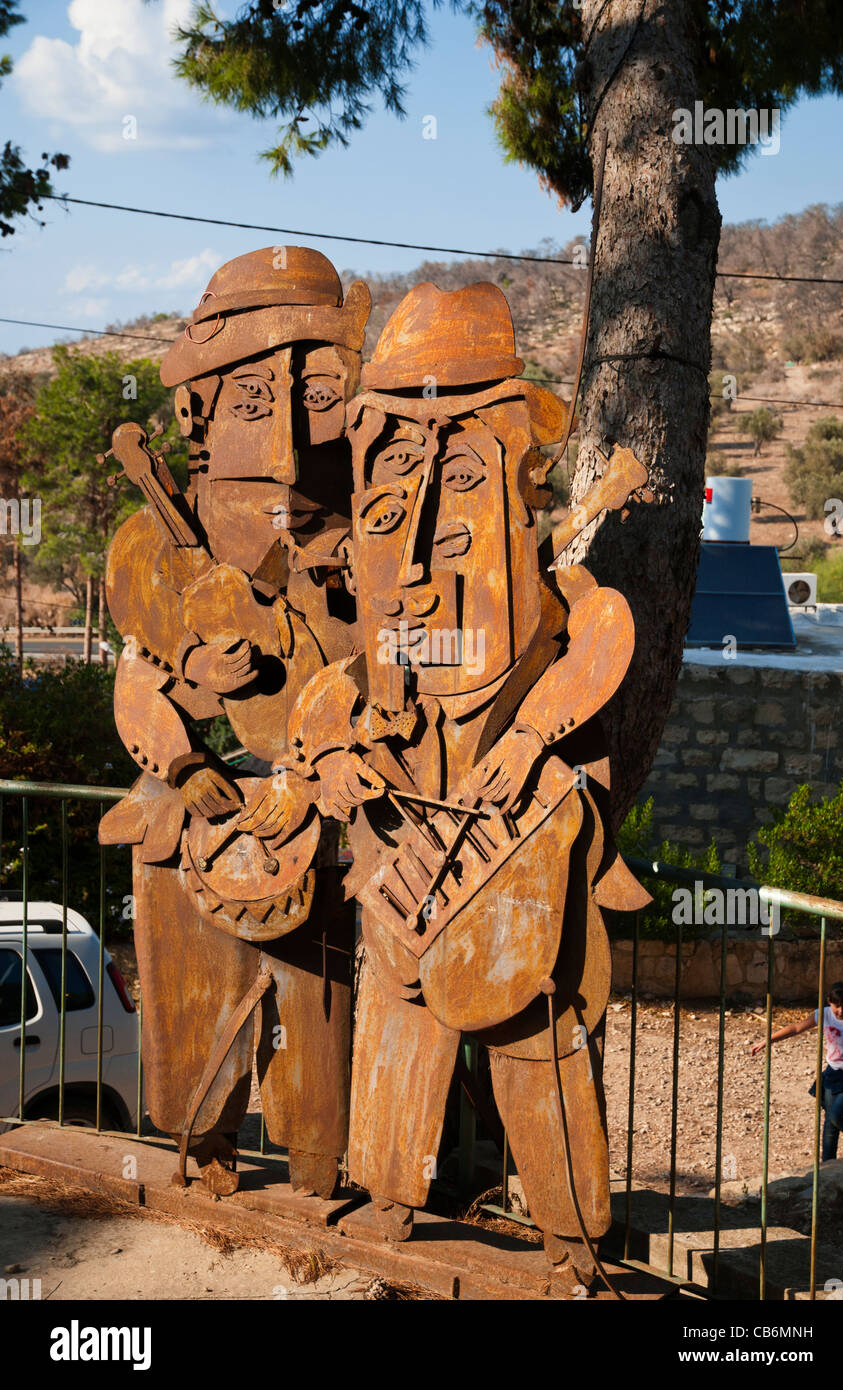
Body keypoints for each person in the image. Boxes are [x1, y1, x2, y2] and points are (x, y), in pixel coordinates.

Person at [281, 280, 650, 1289]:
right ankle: (389, 1201)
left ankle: (572, 1241)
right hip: (407, 836)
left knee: (535, 1025)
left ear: (511, 461)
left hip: (519, 848)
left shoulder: (544, 580)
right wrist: (338, 757)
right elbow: (328, 694)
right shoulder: (385, 578)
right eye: (399, 459)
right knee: (399, 1013)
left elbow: (602, 629)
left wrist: (533, 734)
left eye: (462, 456)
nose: (435, 501)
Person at [99, 246, 370, 1195]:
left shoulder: (372, 545)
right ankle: (201, 1144)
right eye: (256, 405)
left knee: (316, 1000)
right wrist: (183, 737)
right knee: (191, 987)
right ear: (201, 410)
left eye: (315, 397)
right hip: (196, 813)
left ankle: (317, 1160)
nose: (289, 444)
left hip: (318, 809)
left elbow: (391, 679)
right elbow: (136, 679)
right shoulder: (151, 549)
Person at [751, 981, 843, 1160]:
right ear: (829, 1002)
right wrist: (768, 1040)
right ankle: (827, 1167)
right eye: (837, 1006)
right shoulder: (825, 1014)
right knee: (829, 1124)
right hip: (833, 1073)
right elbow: (796, 1028)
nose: (841, 1011)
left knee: (836, 1114)